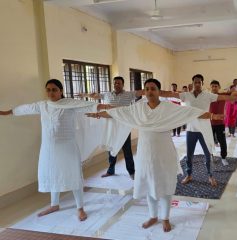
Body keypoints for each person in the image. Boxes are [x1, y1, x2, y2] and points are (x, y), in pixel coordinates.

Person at [85, 78, 223, 232]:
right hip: (145, 153)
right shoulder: (138, 108)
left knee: (165, 185)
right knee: (149, 184)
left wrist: (212, 116)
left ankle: (165, 218)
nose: (150, 91)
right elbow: (118, 112)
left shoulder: (168, 107)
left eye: (153, 88)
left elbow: (191, 112)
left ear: (159, 91)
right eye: (147, 89)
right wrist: (99, 115)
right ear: (144, 92)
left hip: (164, 152)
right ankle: (153, 216)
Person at [0, 79, 107, 221]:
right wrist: (7, 112)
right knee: (52, 174)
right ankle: (54, 205)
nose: (51, 92)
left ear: (60, 91)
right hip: (49, 148)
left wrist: (107, 107)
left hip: (67, 147)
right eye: (48, 90)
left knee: (73, 175)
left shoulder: (69, 103)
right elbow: (26, 108)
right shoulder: (43, 105)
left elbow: (88, 105)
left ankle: (80, 208)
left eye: (54, 89)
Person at [161, 74, 237, 187]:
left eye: (199, 82)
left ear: (202, 84)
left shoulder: (208, 95)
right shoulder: (186, 95)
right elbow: (170, 94)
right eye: (195, 82)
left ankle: (210, 176)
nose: (197, 84)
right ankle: (189, 174)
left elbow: (224, 97)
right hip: (191, 130)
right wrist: (154, 92)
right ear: (192, 84)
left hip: (205, 130)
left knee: (208, 154)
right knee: (189, 155)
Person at [77, 76, 140, 179]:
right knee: (110, 148)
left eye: (119, 83)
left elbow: (140, 93)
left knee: (127, 150)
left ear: (123, 84)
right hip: (110, 127)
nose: (116, 85)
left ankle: (132, 172)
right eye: (115, 83)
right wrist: (84, 95)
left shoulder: (129, 95)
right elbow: (95, 96)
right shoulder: (107, 95)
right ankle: (111, 171)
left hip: (123, 127)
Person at [209, 80, 228, 166]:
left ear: (219, 87)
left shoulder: (223, 96)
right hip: (209, 123)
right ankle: (210, 156)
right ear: (210, 87)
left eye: (216, 86)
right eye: (212, 86)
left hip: (220, 123)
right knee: (209, 141)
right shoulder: (207, 97)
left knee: (222, 141)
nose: (214, 88)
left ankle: (223, 157)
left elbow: (233, 94)